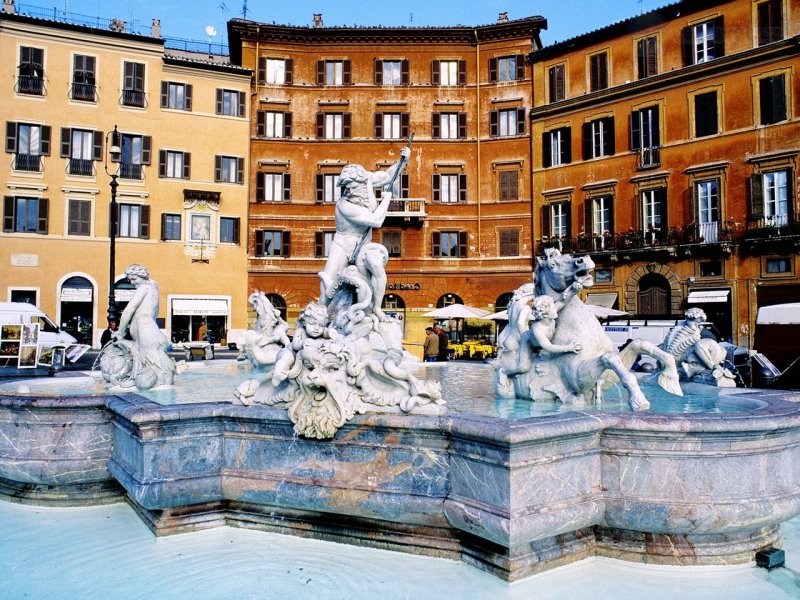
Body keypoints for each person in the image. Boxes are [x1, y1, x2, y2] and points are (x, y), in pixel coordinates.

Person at [318, 144, 411, 321]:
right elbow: (376, 221)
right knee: (327, 284)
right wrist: (387, 200)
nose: (349, 191)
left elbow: (389, 176)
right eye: (347, 187)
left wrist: (403, 161)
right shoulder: (345, 206)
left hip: (363, 245)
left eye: (352, 186)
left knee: (376, 264)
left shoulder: (367, 179)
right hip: (342, 246)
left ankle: (376, 308)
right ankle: (321, 317)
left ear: (362, 182)